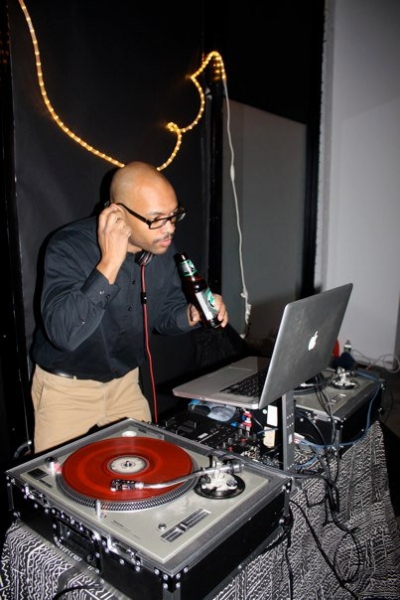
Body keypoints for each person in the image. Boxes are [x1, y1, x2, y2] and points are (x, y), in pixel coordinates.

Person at [30, 161, 228, 453]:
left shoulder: (161, 250)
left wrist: (190, 314)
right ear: (117, 214)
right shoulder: (68, 246)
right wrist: (109, 263)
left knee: (147, 471)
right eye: (157, 219)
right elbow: (64, 334)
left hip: (125, 385)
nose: (169, 229)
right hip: (67, 392)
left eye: (174, 216)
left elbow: (164, 316)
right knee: (62, 490)